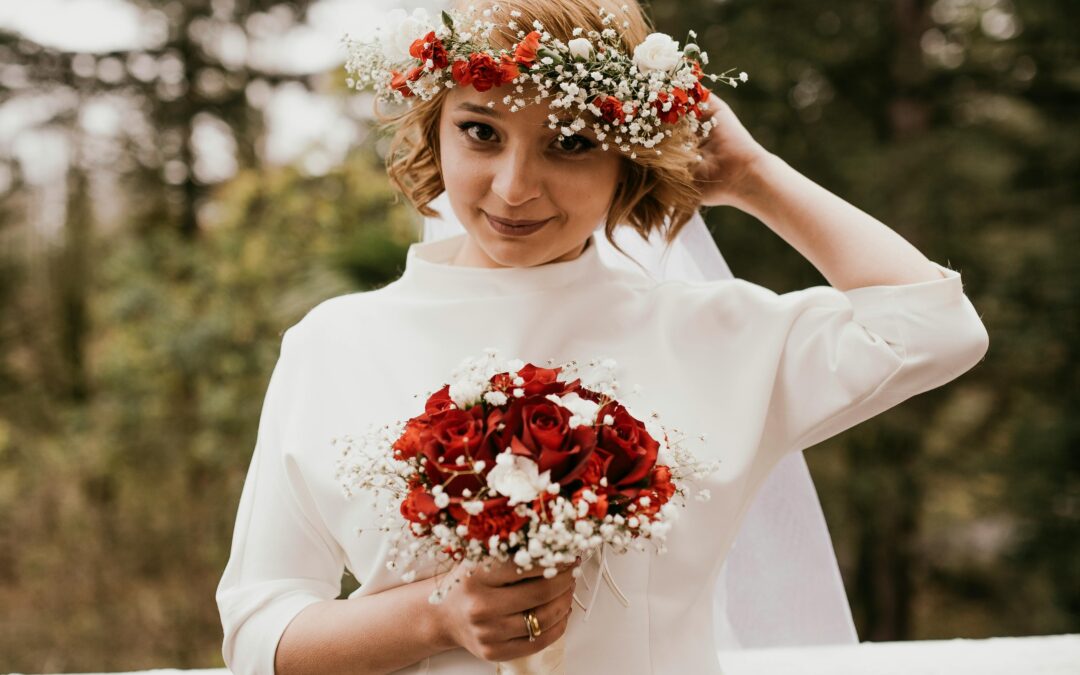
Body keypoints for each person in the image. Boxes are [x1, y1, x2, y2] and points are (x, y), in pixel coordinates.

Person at [216, 1, 990, 673]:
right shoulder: (333, 346)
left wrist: (751, 175)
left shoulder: (713, 333)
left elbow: (936, 328)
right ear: (434, 128)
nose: (515, 186)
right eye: (481, 131)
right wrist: (435, 615)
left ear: (629, 158)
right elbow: (259, 628)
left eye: (572, 142)